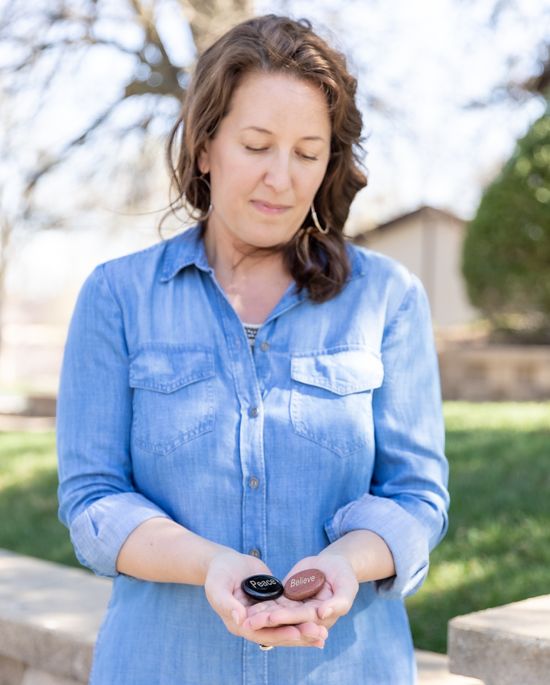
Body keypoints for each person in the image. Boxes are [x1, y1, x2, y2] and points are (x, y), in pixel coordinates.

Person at [56, 13, 449, 685]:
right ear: (205, 146)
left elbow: (417, 497)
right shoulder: (116, 296)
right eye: (257, 144)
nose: (282, 178)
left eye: (307, 151)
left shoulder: (389, 297)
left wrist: (344, 563)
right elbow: (93, 498)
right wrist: (210, 562)